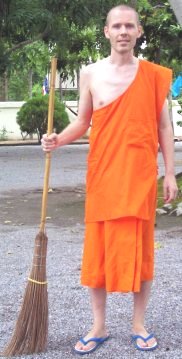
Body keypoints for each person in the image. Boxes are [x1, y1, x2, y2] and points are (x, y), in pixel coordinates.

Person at [41, 4, 178, 354]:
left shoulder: (153, 75)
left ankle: (139, 324)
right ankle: (98, 326)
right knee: (98, 253)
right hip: (104, 175)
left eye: (129, 26)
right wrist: (59, 138)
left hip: (140, 177)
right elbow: (82, 122)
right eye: (116, 26)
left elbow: (164, 125)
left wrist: (170, 173)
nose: (123, 32)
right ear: (106, 32)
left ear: (138, 31)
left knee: (142, 252)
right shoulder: (90, 74)